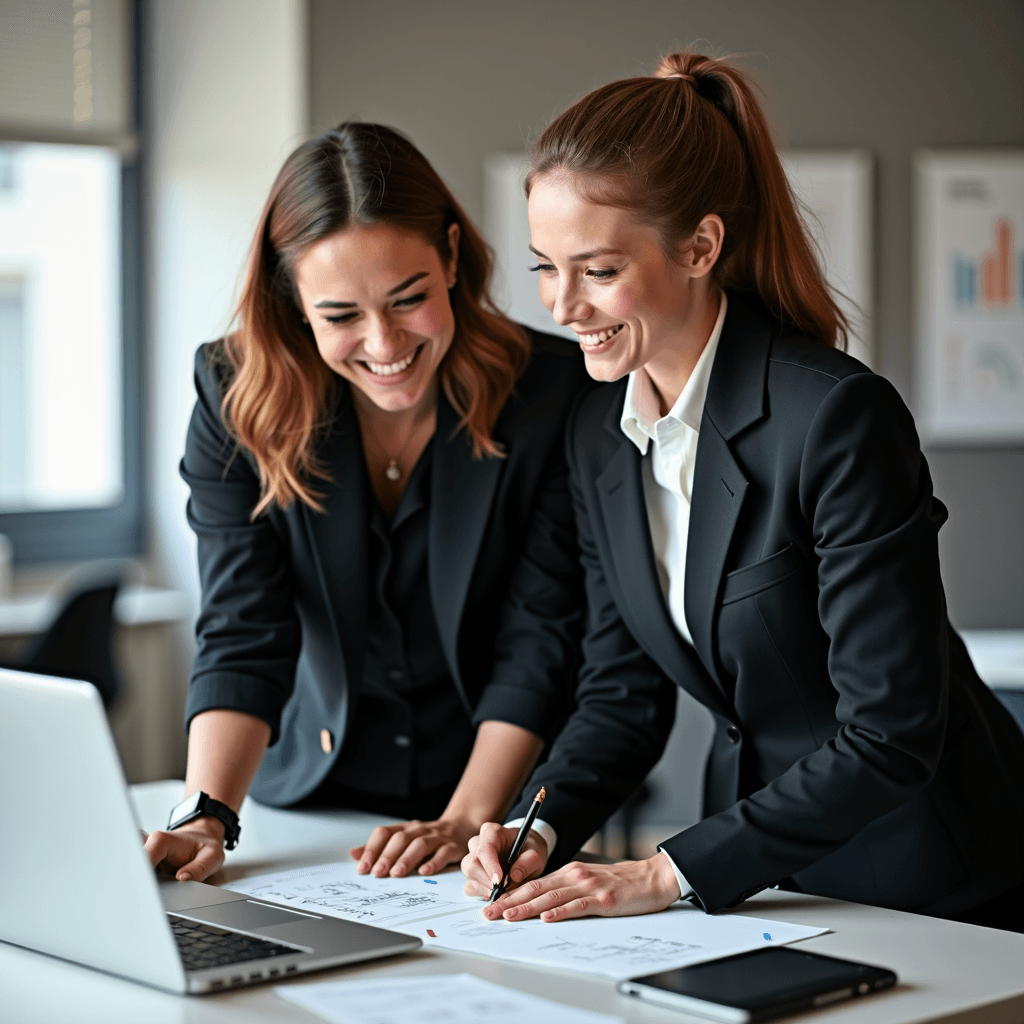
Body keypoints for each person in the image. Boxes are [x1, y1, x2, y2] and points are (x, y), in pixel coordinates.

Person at [462, 52, 1024, 932]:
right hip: (768, 885)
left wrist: (664, 872)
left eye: (597, 271)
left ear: (700, 246)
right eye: (545, 267)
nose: (561, 306)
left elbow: (891, 731)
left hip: (938, 879)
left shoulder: (836, 417)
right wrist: (545, 823)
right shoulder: (595, 433)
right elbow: (620, 687)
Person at [144, 123, 588, 885]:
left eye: (408, 298)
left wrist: (464, 817)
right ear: (295, 301)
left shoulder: (550, 393)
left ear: (451, 256)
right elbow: (244, 625)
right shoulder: (233, 395)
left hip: (492, 805)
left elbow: (539, 636)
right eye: (342, 316)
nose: (384, 343)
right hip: (308, 802)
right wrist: (207, 811)